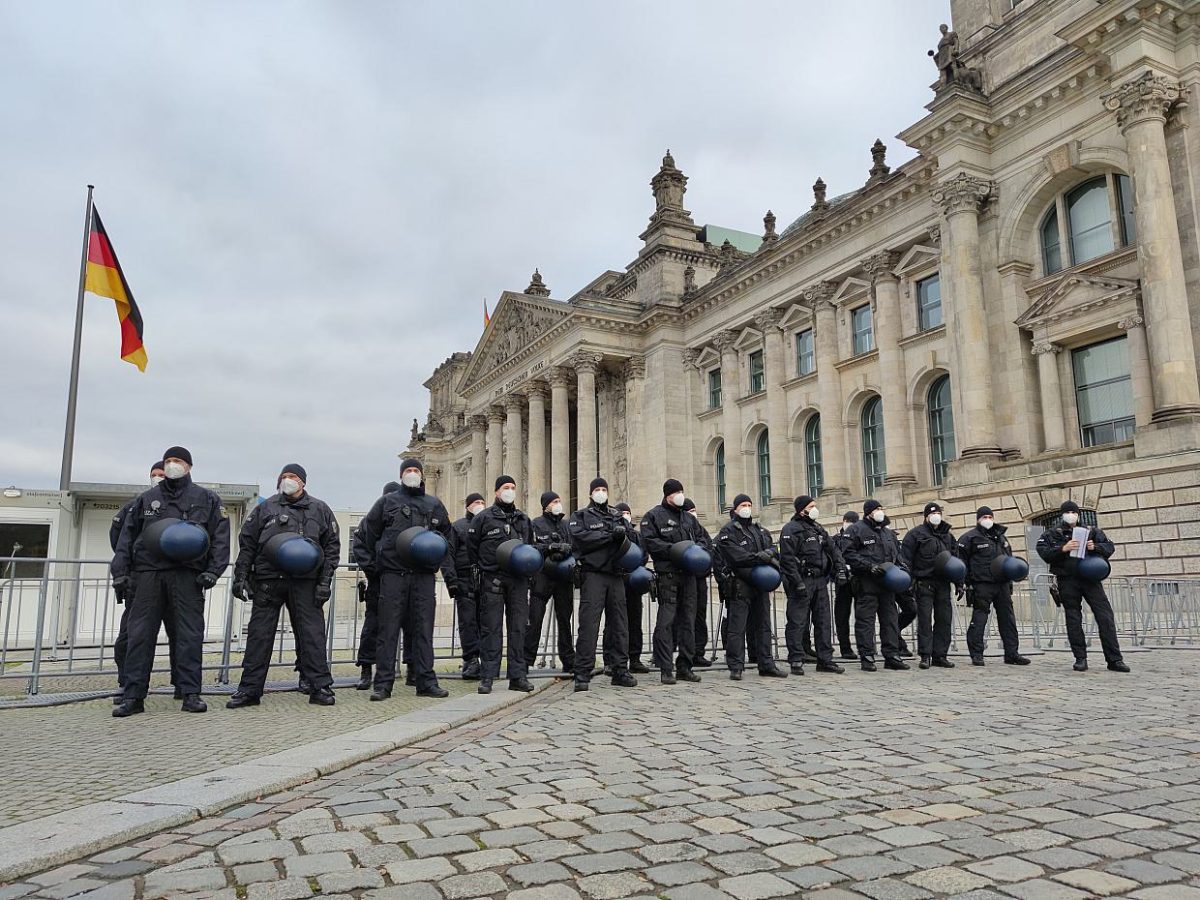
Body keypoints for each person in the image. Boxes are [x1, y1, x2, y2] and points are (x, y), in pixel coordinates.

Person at [110, 447, 230, 717]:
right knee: (140, 637)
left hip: (186, 576)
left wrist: (214, 570)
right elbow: (126, 539)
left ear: (188, 466)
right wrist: (120, 572)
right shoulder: (146, 499)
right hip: (148, 576)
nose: (172, 465)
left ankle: (190, 694)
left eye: (177, 461)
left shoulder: (207, 499)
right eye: (168, 461)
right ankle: (133, 696)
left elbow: (220, 538)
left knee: (188, 636)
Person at [227, 464, 339, 708]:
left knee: (312, 636)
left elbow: (332, 548)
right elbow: (247, 543)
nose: (288, 480)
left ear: (303, 482)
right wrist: (241, 576)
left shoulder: (320, 509)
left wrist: (324, 582)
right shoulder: (265, 508)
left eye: (293, 477)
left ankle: (319, 686)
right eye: (284, 477)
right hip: (269, 580)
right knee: (259, 636)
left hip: (306, 582)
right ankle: (249, 690)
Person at [354, 458, 455, 700]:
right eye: (408, 470)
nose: (412, 473)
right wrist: (376, 567)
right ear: (401, 475)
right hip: (393, 576)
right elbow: (367, 535)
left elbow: (447, 541)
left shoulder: (434, 504)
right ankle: (383, 684)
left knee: (423, 630)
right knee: (387, 631)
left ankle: (426, 682)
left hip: (422, 576)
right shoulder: (387, 502)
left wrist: (450, 577)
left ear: (422, 475)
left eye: (416, 470)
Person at [111, 461, 178, 703]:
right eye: (155, 474)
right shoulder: (138, 504)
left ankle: (182, 685)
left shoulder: (179, 506)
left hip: (174, 580)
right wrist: (123, 571)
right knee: (130, 637)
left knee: (180, 636)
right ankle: (127, 683)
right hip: (140, 581)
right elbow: (119, 538)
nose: (159, 477)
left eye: (162, 474)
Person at [1036, 500, 1129, 673]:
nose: (1071, 515)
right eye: (1067, 512)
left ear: (1078, 514)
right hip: (1067, 579)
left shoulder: (1091, 530)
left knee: (1105, 617)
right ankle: (1080, 658)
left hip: (1090, 579)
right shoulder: (1052, 533)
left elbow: (1109, 547)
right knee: (1073, 619)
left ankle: (1115, 659)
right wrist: (1063, 548)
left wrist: (1096, 547)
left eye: (1074, 512)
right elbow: (1044, 552)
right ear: (1062, 515)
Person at [567, 477, 637, 691]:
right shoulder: (580, 516)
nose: (601, 492)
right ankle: (582, 673)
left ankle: (620, 670)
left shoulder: (617, 515)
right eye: (597, 489)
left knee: (619, 626)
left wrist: (623, 533)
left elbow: (632, 537)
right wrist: (609, 536)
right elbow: (580, 539)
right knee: (589, 625)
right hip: (593, 574)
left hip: (616, 575)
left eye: (603, 489)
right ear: (590, 493)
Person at [468, 476, 535, 694]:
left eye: (513, 487)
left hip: (518, 579)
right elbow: (472, 548)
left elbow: (529, 546)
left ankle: (518, 675)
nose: (510, 491)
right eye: (506, 487)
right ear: (497, 491)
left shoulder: (523, 519)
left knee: (518, 628)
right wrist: (485, 566)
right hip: (493, 578)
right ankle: (488, 676)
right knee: (491, 629)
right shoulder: (484, 518)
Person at [715, 494, 788, 680]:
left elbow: (773, 549)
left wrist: (767, 554)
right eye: (743, 505)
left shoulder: (759, 530)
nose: (747, 507)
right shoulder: (728, 531)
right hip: (740, 584)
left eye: (749, 504)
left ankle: (766, 663)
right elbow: (736, 557)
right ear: (735, 508)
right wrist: (760, 557)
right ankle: (736, 666)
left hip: (760, 585)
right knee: (737, 628)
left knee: (764, 626)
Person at [640, 479, 702, 685]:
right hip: (668, 575)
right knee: (666, 623)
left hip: (689, 575)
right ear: (667, 495)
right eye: (676, 492)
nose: (680, 495)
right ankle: (666, 668)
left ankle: (685, 666)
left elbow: (703, 540)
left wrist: (696, 551)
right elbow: (651, 543)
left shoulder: (689, 518)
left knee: (688, 622)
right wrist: (677, 551)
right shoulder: (653, 516)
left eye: (681, 491)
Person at [779, 495, 846, 676]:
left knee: (823, 621)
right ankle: (796, 659)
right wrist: (797, 582)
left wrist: (840, 569)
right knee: (797, 621)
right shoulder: (790, 529)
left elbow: (833, 550)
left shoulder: (817, 528)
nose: (815, 509)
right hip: (801, 580)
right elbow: (786, 559)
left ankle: (825, 660)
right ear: (802, 509)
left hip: (819, 580)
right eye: (811, 506)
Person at [956, 506, 1030, 667]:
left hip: (1002, 584)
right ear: (978, 519)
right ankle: (977, 654)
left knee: (1008, 619)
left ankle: (1012, 653)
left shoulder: (1001, 537)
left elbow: (1009, 559)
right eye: (984, 516)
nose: (988, 519)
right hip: (982, 584)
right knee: (979, 618)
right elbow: (962, 563)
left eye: (990, 516)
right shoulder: (969, 538)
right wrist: (965, 583)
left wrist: (1010, 581)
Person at [842, 499, 907, 672]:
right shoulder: (856, 530)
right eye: (876, 509)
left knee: (890, 621)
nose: (880, 511)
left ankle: (892, 655)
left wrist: (902, 568)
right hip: (867, 583)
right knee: (866, 622)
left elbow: (897, 555)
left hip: (887, 584)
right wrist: (869, 566)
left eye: (881, 508)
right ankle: (867, 656)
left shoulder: (888, 533)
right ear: (868, 512)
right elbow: (848, 554)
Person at [353, 481, 400, 690]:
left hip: (401, 580)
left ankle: (410, 669)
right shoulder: (369, 521)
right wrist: (374, 569)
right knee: (372, 627)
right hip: (378, 581)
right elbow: (360, 546)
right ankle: (365, 669)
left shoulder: (404, 521)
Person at [900, 502, 956, 670]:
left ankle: (940, 655)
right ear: (925, 517)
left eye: (938, 512)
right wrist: (908, 582)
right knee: (925, 620)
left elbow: (956, 559)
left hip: (943, 583)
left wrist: (960, 582)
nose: (936, 516)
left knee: (944, 620)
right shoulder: (915, 534)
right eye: (932, 513)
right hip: (924, 583)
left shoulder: (947, 535)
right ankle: (925, 655)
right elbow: (906, 560)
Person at [526, 491, 576, 675]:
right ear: (545, 505)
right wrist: (548, 548)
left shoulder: (566, 525)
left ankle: (569, 661)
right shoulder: (535, 524)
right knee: (535, 620)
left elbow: (574, 546)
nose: (558, 504)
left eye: (559, 500)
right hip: (542, 576)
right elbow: (530, 546)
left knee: (564, 621)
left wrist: (566, 549)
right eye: (554, 501)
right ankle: (526, 660)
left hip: (563, 577)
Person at [603, 503, 650, 674]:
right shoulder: (613, 534)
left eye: (628, 513)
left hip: (633, 582)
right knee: (613, 622)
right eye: (622, 513)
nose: (626, 516)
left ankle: (635, 657)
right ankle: (610, 659)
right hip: (617, 580)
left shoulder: (636, 535)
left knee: (635, 621)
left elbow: (644, 555)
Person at [448, 492, 485, 680]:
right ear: (468, 506)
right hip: (464, 579)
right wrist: (451, 581)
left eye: (482, 502)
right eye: (476, 502)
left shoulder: (488, 525)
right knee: (468, 623)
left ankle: (486, 660)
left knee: (486, 622)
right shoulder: (458, 527)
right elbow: (449, 555)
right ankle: (471, 659)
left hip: (485, 579)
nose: (479, 505)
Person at [680, 498, 714, 668]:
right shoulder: (680, 528)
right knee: (685, 616)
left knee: (700, 616)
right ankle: (684, 652)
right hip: (685, 578)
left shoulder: (700, 529)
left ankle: (698, 651)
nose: (693, 513)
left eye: (694, 509)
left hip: (700, 578)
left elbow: (709, 547)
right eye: (690, 510)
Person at [831, 511, 859, 660]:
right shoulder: (836, 539)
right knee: (842, 616)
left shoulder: (859, 537)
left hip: (859, 579)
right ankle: (845, 647)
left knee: (862, 615)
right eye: (848, 521)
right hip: (842, 582)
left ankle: (865, 645)